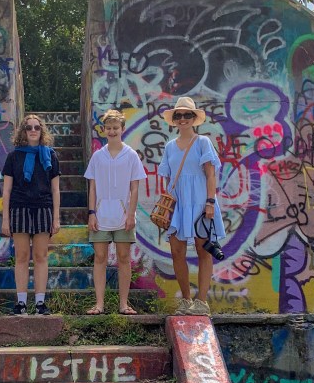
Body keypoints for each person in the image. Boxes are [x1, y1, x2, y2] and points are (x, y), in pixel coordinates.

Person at [157, 96, 225, 315]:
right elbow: (168, 180)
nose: (183, 119)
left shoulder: (202, 142)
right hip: (178, 202)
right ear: (174, 120)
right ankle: (186, 300)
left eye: (187, 115)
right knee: (177, 251)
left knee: (203, 250)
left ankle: (202, 301)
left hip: (200, 200)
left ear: (194, 118)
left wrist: (210, 202)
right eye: (179, 115)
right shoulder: (169, 147)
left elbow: (210, 174)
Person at [84, 108, 146, 315]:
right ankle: (99, 304)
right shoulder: (97, 156)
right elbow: (92, 187)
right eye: (108, 128)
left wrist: (131, 213)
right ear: (103, 130)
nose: (112, 131)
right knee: (100, 257)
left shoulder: (131, 156)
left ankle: (123, 304)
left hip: (123, 216)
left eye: (115, 128)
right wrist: (91, 213)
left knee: (123, 257)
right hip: (101, 215)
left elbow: (135, 187)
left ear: (122, 129)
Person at [1, 113, 60, 315]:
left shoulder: (50, 155)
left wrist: (57, 217)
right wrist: (5, 219)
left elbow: (55, 190)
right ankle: (21, 303)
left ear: (41, 131)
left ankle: (40, 303)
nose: (33, 130)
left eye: (37, 127)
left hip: (43, 207)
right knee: (22, 256)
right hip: (19, 208)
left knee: (41, 256)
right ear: (23, 132)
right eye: (29, 127)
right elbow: (6, 190)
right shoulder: (13, 156)